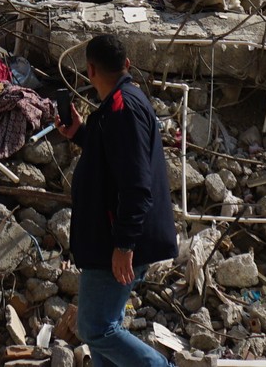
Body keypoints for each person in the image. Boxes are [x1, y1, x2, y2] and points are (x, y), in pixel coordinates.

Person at [58, 34, 177, 367]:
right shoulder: (120, 105)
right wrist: (80, 134)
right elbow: (113, 160)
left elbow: (136, 185)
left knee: (94, 328)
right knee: (102, 336)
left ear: (90, 70)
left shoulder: (123, 109)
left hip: (114, 244)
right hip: (106, 241)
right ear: (126, 64)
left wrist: (124, 245)